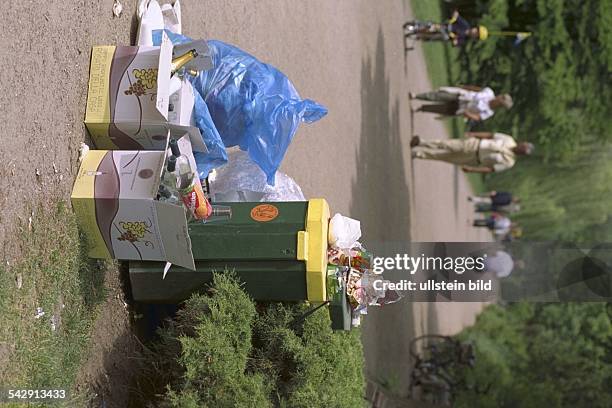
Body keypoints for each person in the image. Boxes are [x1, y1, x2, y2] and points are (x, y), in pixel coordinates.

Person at [411, 132, 534, 173]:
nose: (522, 150)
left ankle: (419, 154)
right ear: (522, 143)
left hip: (474, 158)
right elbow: (490, 134)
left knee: (444, 156)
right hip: (475, 144)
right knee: (446, 144)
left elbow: (491, 169)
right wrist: (474, 134)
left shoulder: (509, 162)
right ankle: (421, 142)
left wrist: (472, 170)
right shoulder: (508, 140)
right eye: (524, 147)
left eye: (524, 152)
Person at [409, 86, 513, 122]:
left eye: (500, 101)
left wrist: (468, 114)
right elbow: (476, 89)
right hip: (462, 96)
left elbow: (478, 117)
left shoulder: (489, 112)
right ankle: (417, 96)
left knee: (439, 109)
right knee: (439, 96)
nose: (498, 99)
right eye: (501, 97)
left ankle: (421, 108)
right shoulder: (489, 92)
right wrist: (465, 87)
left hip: (462, 108)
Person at [403, 10, 488, 47]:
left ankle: (420, 37)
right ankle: (417, 25)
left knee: (438, 37)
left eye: (476, 34)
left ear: (475, 37)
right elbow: (457, 17)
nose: (474, 32)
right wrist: (455, 16)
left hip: (447, 35)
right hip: (447, 26)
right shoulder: (465, 25)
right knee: (432, 25)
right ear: (475, 28)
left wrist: (455, 40)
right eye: (476, 30)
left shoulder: (465, 39)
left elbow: (456, 43)